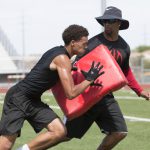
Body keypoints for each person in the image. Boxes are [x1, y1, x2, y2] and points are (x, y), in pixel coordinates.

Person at [57, 6, 150, 150]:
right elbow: (75, 66)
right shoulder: (92, 43)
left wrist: (139, 90)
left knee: (119, 132)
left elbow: (125, 71)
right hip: (86, 95)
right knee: (63, 135)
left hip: (105, 96)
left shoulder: (124, 47)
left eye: (111, 21)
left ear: (119, 23)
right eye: (104, 21)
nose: (106, 24)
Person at [0, 24, 104, 150]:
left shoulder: (59, 53)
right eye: (84, 43)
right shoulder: (62, 58)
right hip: (18, 98)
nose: (86, 47)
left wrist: (81, 76)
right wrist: (89, 79)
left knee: (59, 131)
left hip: (33, 100)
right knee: (5, 145)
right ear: (73, 43)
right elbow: (70, 93)